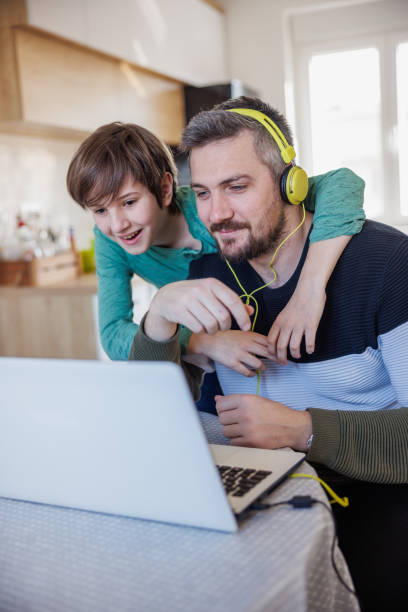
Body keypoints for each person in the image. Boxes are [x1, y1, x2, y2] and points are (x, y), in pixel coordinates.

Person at [129, 96, 408, 612]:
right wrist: (161, 314)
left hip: (374, 496)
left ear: (290, 183)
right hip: (250, 500)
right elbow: (143, 414)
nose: (217, 214)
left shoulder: (389, 264)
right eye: (204, 194)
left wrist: (300, 428)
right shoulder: (205, 278)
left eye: (237, 187)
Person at [67, 121, 365, 412]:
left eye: (129, 202)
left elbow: (342, 183)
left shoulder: (211, 208)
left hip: (278, 326)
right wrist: (201, 343)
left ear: (165, 189)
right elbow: (112, 333)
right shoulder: (110, 241)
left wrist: (308, 291)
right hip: (213, 348)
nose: (117, 224)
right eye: (100, 210)